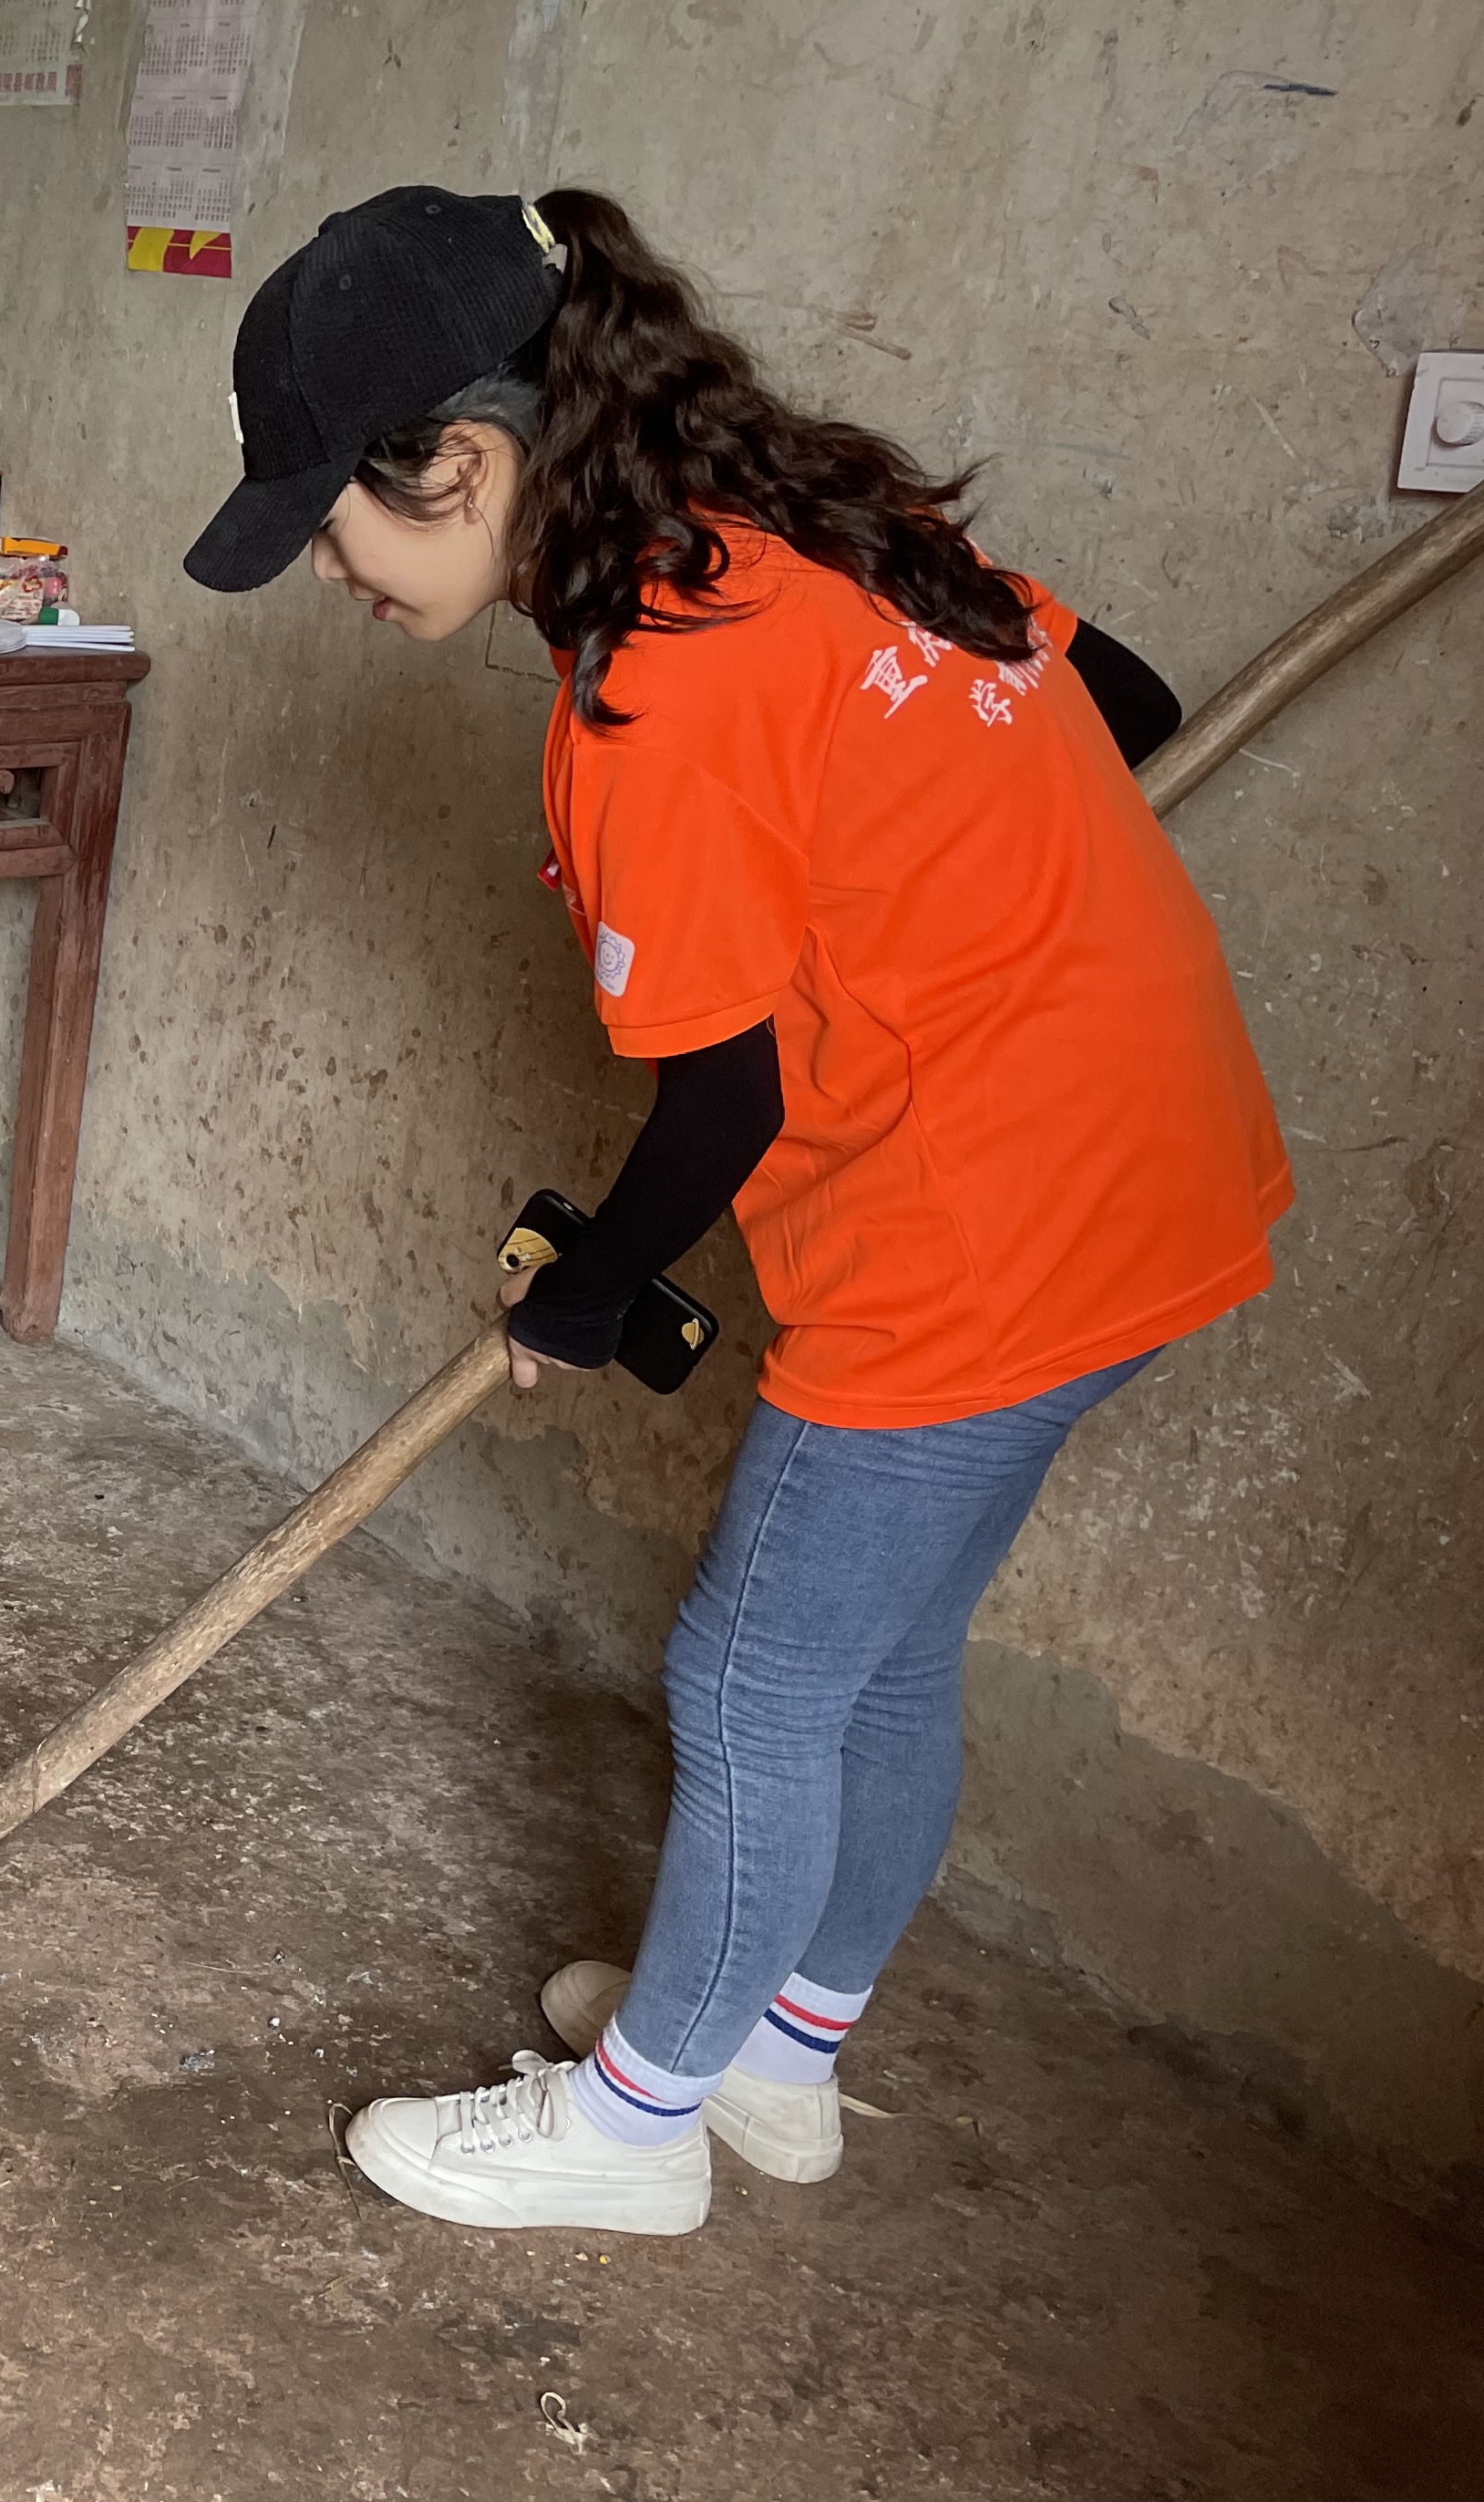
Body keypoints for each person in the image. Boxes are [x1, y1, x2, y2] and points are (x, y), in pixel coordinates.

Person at [184, 187, 1286, 2237]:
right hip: (1156, 1172)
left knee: (751, 1679)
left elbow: (726, 1098)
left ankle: (633, 2128)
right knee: (881, 1661)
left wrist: (584, 1300)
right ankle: (773, 2057)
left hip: (975, 1232)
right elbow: (1116, 701)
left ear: (475, 463)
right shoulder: (837, 527)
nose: (334, 568)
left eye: (338, 517)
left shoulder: (647, 702)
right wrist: (965, 879)